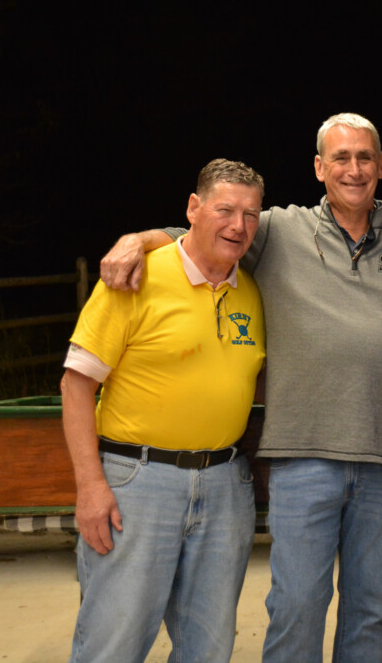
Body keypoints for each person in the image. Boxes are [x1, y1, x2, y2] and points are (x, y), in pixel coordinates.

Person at [97, 114, 382, 663]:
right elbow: (199, 233)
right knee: (296, 606)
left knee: (370, 613)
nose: (354, 168)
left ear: (381, 167)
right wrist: (137, 239)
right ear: (319, 167)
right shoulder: (276, 231)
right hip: (303, 459)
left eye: (365, 157)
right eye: (340, 158)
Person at [60, 159, 266, 662]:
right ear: (193, 209)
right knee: (114, 641)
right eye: (225, 210)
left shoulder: (253, 291)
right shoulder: (136, 277)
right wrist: (90, 487)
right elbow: (75, 385)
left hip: (223, 486)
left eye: (251, 214)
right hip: (138, 482)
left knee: (209, 648)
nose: (238, 226)